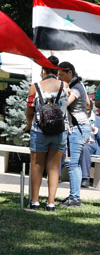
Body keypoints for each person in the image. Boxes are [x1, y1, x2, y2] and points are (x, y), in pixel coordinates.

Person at [24, 56, 69, 212]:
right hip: (60, 131)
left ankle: (35, 202)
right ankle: (51, 203)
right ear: (56, 70)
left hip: (39, 131)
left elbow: (29, 111)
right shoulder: (65, 86)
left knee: (37, 166)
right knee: (54, 167)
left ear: (43, 69)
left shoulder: (35, 86)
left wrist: (29, 124)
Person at [57, 61, 91, 207]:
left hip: (78, 129)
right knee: (74, 164)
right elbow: (89, 104)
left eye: (61, 75)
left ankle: (75, 198)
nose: (59, 78)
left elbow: (64, 103)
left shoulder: (75, 88)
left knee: (72, 164)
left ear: (69, 72)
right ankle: (74, 197)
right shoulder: (78, 85)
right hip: (82, 128)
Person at [79, 111, 100, 187]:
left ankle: (85, 178)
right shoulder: (79, 119)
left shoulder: (98, 120)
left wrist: (95, 130)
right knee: (84, 148)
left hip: (94, 143)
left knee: (85, 148)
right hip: (81, 143)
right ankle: (84, 178)